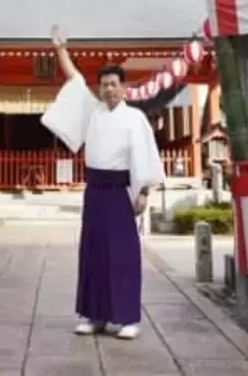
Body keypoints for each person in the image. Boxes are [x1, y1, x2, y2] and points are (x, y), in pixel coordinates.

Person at [41, 25, 164, 340]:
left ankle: (128, 317)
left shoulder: (135, 118)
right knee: (93, 251)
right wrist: (60, 49)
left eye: (113, 84)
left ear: (124, 88)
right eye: (104, 84)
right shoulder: (93, 112)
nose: (108, 89)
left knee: (122, 254)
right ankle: (92, 314)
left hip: (121, 191)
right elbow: (75, 79)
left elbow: (145, 155)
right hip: (95, 190)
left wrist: (143, 192)